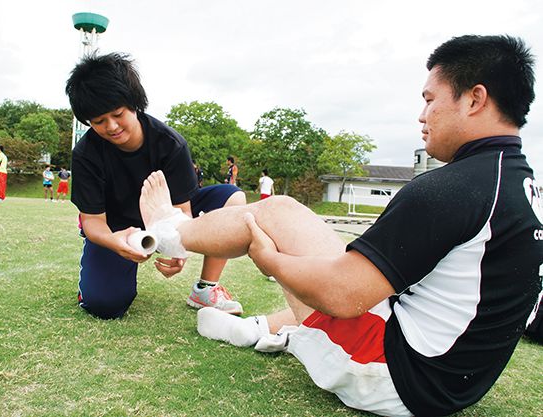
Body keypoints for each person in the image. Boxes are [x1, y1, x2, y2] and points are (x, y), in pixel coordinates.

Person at [136, 35, 542, 417]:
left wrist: (272, 260)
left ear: (475, 99)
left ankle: (168, 232)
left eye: (430, 99)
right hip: (452, 382)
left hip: (396, 376)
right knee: (359, 263)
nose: (422, 115)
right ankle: (258, 330)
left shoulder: (454, 188)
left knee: (275, 213)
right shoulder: (521, 186)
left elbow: (342, 297)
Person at [65, 52, 246, 320]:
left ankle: (205, 289)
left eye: (118, 114)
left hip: (166, 216)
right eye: (99, 121)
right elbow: (92, 222)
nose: (112, 126)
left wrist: (178, 246)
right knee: (105, 305)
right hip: (118, 228)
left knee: (233, 199)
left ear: (134, 104)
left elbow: (181, 210)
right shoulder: (86, 154)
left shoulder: (170, 144)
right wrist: (113, 242)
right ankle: (101, 284)